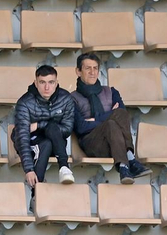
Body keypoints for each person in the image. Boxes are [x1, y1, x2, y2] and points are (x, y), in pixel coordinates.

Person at [67, 52, 150, 184]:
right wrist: (108, 115)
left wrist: (94, 120)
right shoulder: (71, 98)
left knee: (118, 118)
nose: (92, 72)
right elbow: (81, 127)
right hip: (91, 143)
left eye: (95, 68)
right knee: (111, 122)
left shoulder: (112, 92)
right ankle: (131, 161)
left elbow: (122, 115)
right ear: (78, 71)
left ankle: (124, 166)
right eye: (88, 68)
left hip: (115, 142)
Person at [10, 64, 83, 187]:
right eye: (42, 82)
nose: (47, 87)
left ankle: (64, 168)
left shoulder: (65, 98)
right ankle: (37, 191)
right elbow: (22, 136)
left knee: (52, 128)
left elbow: (67, 129)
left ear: (56, 83)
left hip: (56, 141)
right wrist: (28, 169)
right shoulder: (25, 102)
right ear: (36, 83)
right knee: (45, 144)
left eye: (51, 82)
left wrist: (39, 125)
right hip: (31, 141)